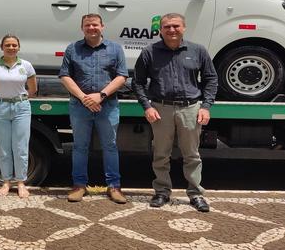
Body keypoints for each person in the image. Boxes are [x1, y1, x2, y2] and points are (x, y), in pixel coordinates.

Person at [132, 13, 217, 212]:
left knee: (192, 155)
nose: (171, 30)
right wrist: (147, 106)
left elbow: (211, 79)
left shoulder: (198, 51)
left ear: (184, 28)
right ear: (160, 30)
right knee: (161, 154)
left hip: (190, 108)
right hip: (161, 109)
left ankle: (195, 194)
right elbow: (137, 82)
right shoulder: (149, 52)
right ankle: (162, 192)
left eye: (176, 26)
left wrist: (206, 106)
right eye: (167, 27)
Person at [59, 14, 128, 204]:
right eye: (87, 25)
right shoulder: (72, 48)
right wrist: (84, 98)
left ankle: (114, 187)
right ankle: (79, 186)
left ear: (102, 26)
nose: (91, 28)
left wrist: (101, 95)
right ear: (82, 28)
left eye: (95, 25)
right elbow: (65, 76)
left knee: (110, 146)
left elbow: (122, 76)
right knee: (80, 147)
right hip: (79, 105)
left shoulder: (115, 49)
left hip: (108, 105)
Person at [0, 34, 37, 198]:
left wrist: (21, 99)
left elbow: (32, 89)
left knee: (20, 147)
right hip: (0, 107)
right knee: (4, 147)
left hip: (21, 107)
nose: (11, 48)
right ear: (1, 47)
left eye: (14, 45)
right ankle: (6, 182)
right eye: (7, 45)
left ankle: (20, 182)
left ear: (18, 47)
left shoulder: (26, 65)